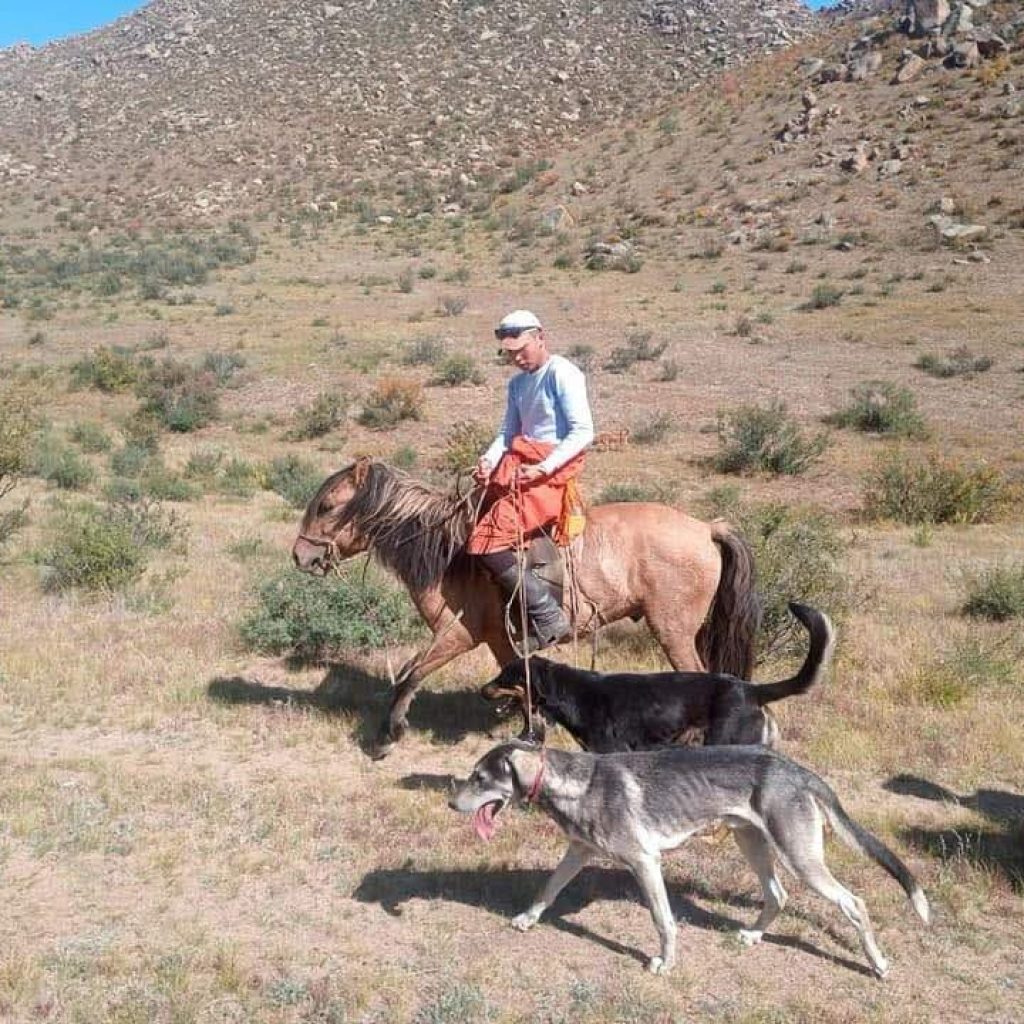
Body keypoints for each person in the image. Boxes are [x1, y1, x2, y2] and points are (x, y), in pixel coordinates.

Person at [466, 309, 595, 650]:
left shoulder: (562, 372)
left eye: (521, 350)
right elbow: (508, 433)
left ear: (540, 337)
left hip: (550, 475)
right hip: (521, 466)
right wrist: (488, 460)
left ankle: (548, 616)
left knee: (488, 540)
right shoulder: (518, 384)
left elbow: (583, 431)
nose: (516, 358)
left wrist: (544, 468)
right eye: (510, 353)